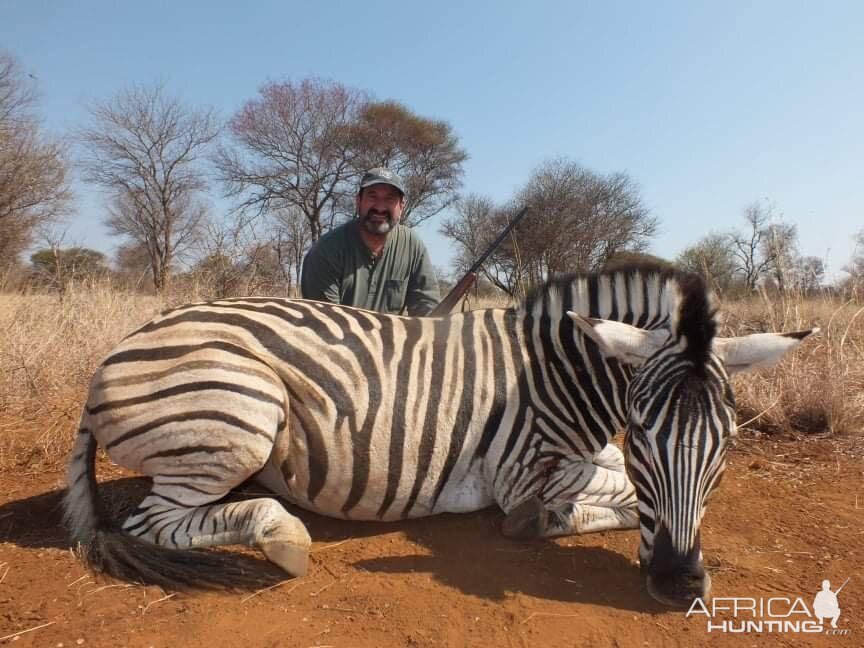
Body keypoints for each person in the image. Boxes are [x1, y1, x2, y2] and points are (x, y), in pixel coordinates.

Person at [300, 167, 440, 316]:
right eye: (372, 197)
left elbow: (427, 307)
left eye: (389, 199)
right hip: (338, 338)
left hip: (393, 338)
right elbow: (326, 322)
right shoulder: (326, 251)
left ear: (401, 207)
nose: (380, 207)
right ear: (358, 201)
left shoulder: (413, 245)